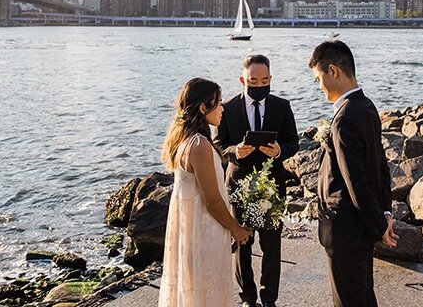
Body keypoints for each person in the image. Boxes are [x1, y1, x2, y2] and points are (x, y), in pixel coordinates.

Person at [309, 40, 397, 307]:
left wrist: (380, 226)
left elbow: (354, 181)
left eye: (318, 78)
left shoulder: (345, 117)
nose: (318, 86)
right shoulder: (367, 106)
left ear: (333, 71)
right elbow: (381, 166)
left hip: (345, 231)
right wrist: (384, 212)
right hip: (359, 229)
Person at [159, 78, 253, 307]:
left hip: (192, 229)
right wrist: (236, 229)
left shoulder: (184, 140)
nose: (223, 108)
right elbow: (212, 200)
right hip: (204, 231)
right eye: (218, 102)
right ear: (203, 107)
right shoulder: (199, 146)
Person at [215, 54, 300, 307]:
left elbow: (293, 142)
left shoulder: (282, 106)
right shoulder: (228, 108)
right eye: (254, 80)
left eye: (264, 80)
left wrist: (279, 151)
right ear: (244, 79)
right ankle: (247, 298)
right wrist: (234, 152)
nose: (260, 84)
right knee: (242, 242)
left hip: (272, 185)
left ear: (271, 79)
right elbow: (219, 144)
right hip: (239, 184)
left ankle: (269, 299)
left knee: (272, 245)